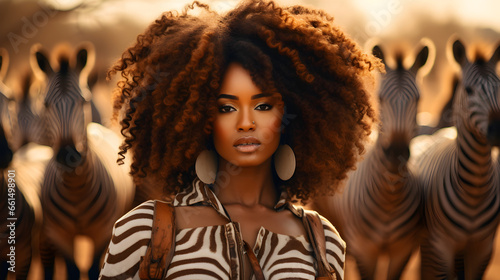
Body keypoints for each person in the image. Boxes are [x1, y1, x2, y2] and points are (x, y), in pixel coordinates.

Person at [99, 0, 379, 279]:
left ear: (292, 114)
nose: (246, 123)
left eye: (264, 106)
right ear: (199, 118)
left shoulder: (323, 241)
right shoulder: (144, 230)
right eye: (227, 108)